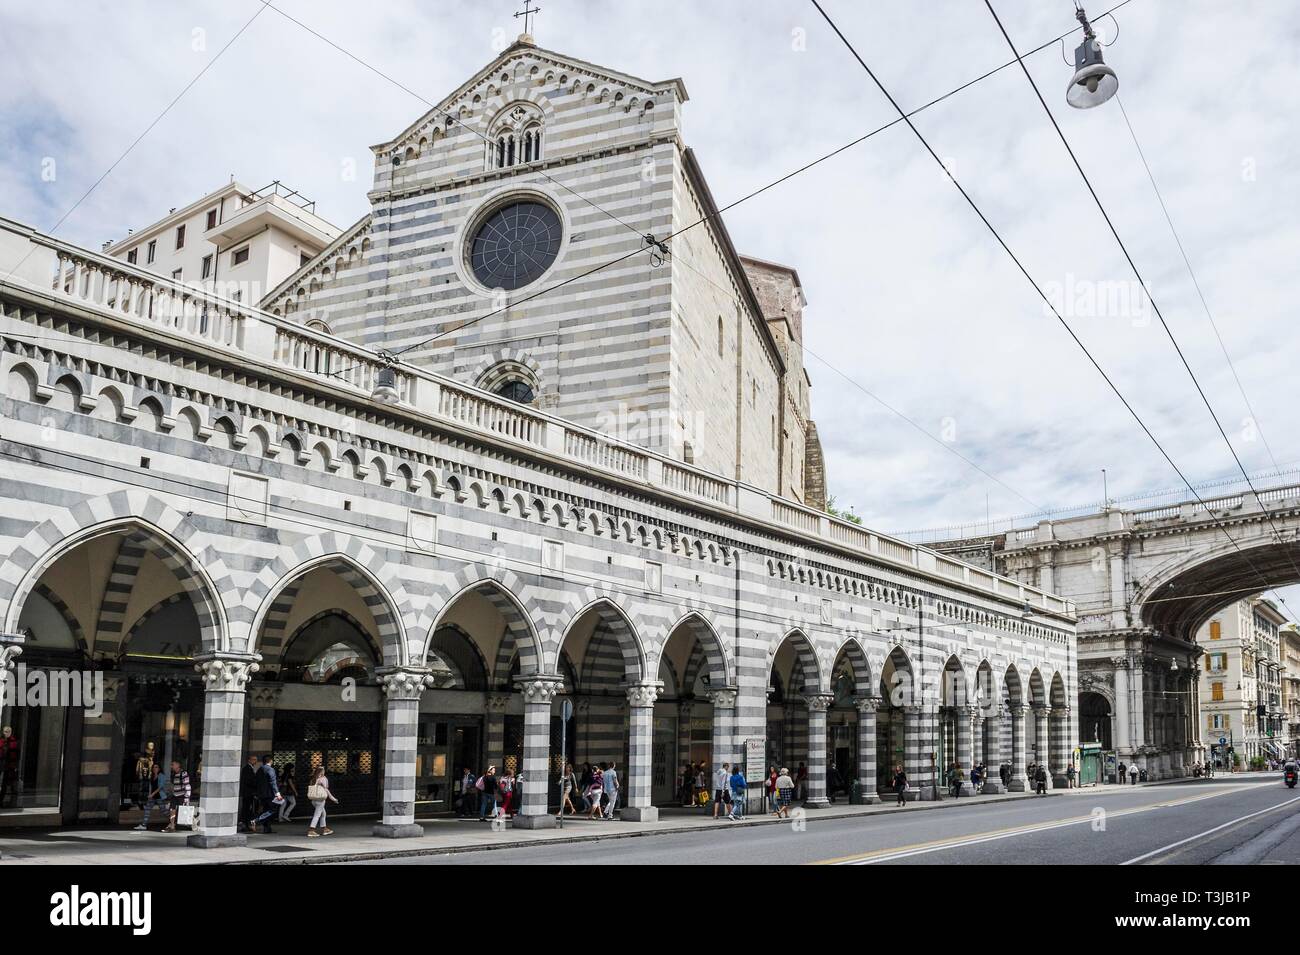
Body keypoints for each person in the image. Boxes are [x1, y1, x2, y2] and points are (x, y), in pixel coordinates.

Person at [306, 764, 338, 836]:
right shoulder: (323, 778)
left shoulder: (313, 779)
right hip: (320, 800)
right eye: (323, 770)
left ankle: (325, 829)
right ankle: (311, 830)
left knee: (323, 814)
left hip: (314, 800)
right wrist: (333, 799)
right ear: (322, 771)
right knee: (317, 815)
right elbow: (326, 790)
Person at [134, 763, 169, 830]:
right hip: (152, 797)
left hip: (159, 796)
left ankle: (174, 820)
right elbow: (151, 787)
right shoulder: (152, 776)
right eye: (153, 767)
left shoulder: (162, 776)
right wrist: (150, 794)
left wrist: (152, 794)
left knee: (163, 811)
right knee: (147, 810)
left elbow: (160, 787)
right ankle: (144, 825)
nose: (154, 769)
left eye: (156, 767)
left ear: (159, 768)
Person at [254, 753, 282, 833]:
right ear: (270, 761)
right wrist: (278, 793)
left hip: (261, 794)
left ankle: (267, 828)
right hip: (269, 794)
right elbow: (273, 782)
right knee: (272, 809)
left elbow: (257, 782)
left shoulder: (260, 769)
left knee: (266, 809)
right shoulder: (270, 769)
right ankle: (256, 820)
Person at [163, 759, 192, 831]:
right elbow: (175, 785)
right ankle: (172, 825)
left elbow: (187, 785)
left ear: (178, 765)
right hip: (175, 795)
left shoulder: (184, 773)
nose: (171, 766)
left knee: (184, 810)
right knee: (172, 809)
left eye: (173, 764)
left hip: (182, 795)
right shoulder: (175, 774)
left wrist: (187, 797)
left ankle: (192, 822)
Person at [239, 753, 260, 831]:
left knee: (248, 809)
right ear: (249, 760)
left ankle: (245, 824)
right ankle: (244, 824)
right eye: (254, 759)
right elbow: (249, 781)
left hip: (248, 793)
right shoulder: (247, 768)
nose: (255, 761)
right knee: (246, 808)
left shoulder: (250, 768)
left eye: (256, 760)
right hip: (248, 793)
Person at [0, 725, 18, 808]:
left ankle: (1, 800)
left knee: (5, 784)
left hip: (8, 765)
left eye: (9, 731)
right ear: (3, 732)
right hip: (1, 763)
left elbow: (17, 755)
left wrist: (14, 766)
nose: (7, 733)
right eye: (6, 731)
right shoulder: (0, 741)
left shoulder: (14, 742)